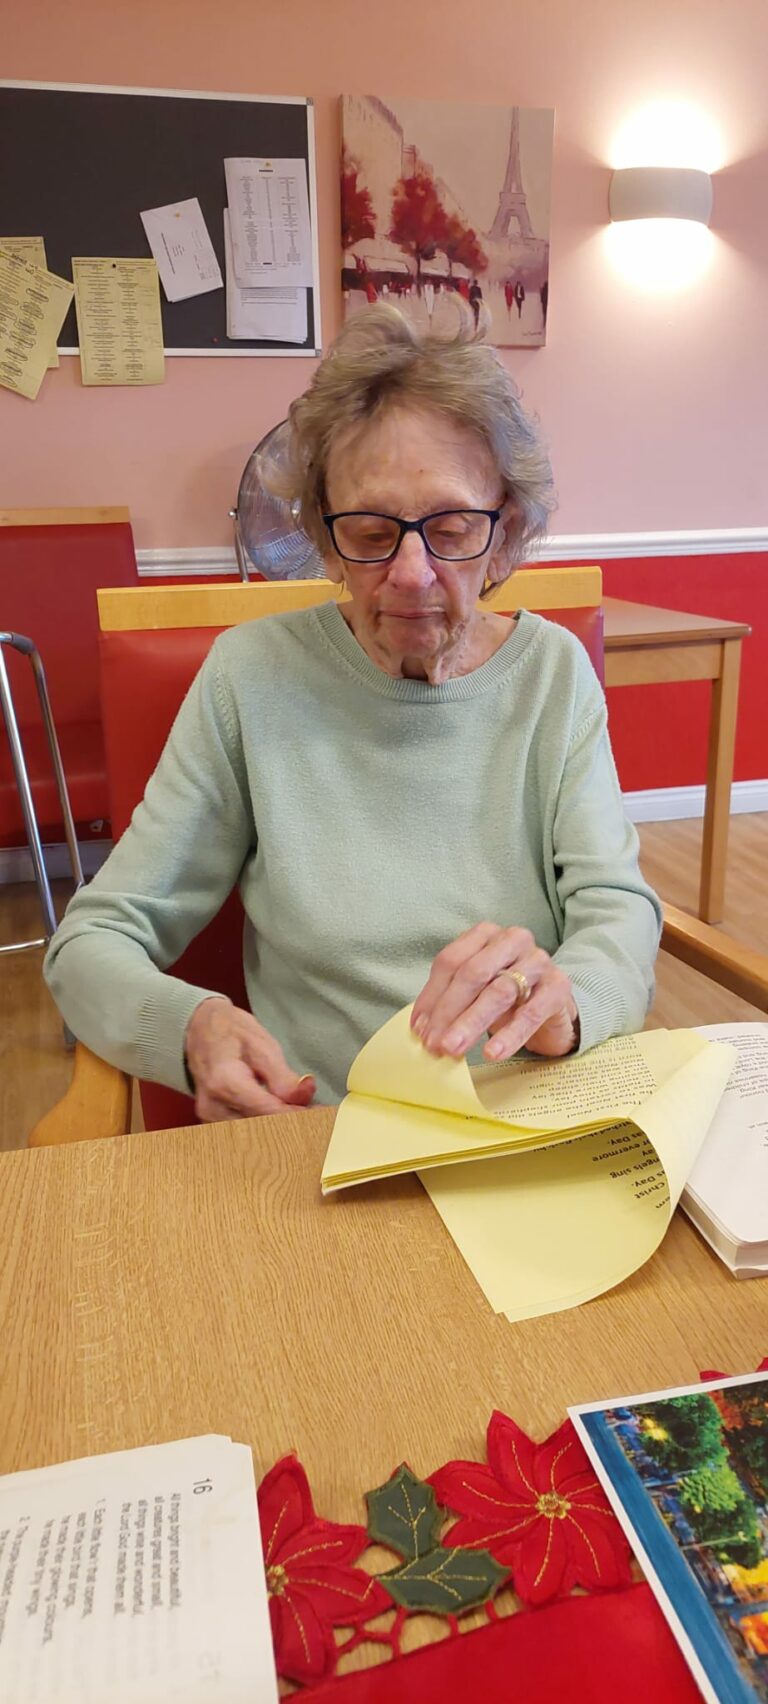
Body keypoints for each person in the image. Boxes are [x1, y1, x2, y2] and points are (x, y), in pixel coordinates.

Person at [44, 305, 661, 1124]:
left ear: (505, 533)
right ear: (324, 539)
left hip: (523, 1121)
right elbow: (91, 941)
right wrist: (191, 1028)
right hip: (321, 1133)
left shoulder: (553, 676)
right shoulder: (251, 678)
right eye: (370, 534)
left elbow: (617, 909)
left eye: (451, 529)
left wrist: (569, 1003)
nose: (410, 573)